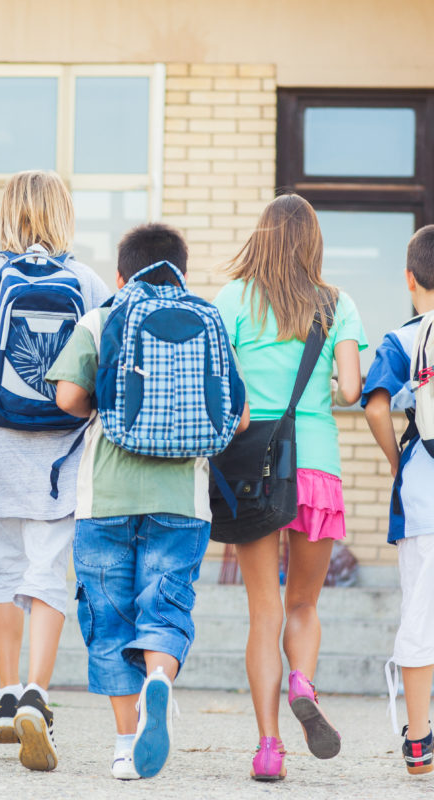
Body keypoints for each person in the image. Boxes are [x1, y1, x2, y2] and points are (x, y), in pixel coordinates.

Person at [47, 222, 247, 780]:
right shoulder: (209, 319)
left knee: (109, 620)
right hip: (182, 498)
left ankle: (122, 744)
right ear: (181, 268)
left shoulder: (103, 317)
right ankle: (160, 677)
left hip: (105, 497)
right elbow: (240, 414)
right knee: (164, 607)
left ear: (121, 272)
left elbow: (68, 396)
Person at [0, 170, 108, 772]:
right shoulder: (86, 279)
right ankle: (38, 694)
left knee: (2, 563)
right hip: (63, 447)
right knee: (48, 565)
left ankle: (7, 692)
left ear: (8, 212)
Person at [213, 194, 366, 780]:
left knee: (263, 611)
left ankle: (269, 748)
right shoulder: (338, 303)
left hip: (252, 468)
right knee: (304, 603)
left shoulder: (233, 299)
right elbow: (350, 390)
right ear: (313, 242)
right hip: (317, 467)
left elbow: (222, 385)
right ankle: (303, 680)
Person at [363, 224, 434, 776]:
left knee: (420, 611)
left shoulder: (404, 338)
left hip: (423, 497)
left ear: (410, 278)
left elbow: (373, 405)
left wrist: (395, 458)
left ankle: (418, 740)